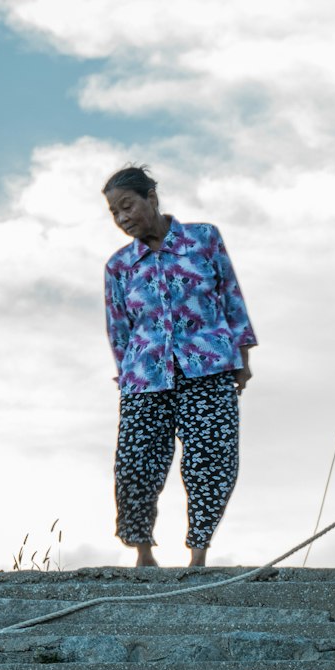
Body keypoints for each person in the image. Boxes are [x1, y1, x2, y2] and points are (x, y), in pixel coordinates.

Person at [102, 165, 257, 568]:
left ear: (151, 198)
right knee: (136, 463)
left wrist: (243, 357)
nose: (123, 218)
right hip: (144, 377)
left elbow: (230, 296)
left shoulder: (203, 239)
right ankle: (143, 553)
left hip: (208, 366)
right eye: (115, 213)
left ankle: (199, 554)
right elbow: (119, 331)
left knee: (211, 458)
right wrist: (127, 379)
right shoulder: (119, 267)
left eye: (127, 206)